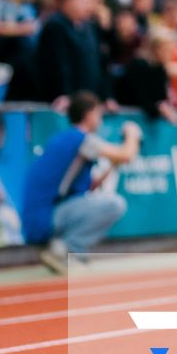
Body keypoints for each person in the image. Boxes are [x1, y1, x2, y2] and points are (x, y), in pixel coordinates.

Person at [22, 90, 141, 272]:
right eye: (98, 113)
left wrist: (112, 166)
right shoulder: (81, 139)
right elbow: (127, 154)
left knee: (101, 202)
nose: (100, 120)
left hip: (44, 216)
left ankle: (61, 248)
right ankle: (65, 250)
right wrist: (133, 134)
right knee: (115, 204)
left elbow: (90, 187)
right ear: (89, 114)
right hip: (44, 218)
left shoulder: (66, 138)